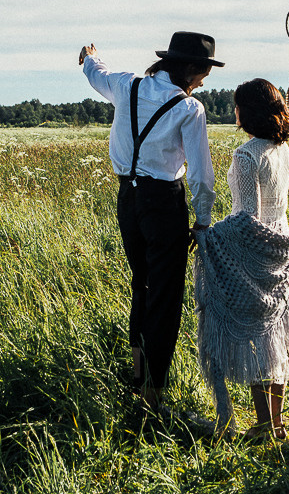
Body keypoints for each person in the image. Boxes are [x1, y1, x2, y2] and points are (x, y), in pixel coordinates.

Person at [79, 31, 223, 413]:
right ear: (190, 69)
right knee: (165, 297)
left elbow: (97, 74)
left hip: (128, 199)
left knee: (140, 287)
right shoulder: (189, 109)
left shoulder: (128, 85)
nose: (204, 80)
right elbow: (201, 175)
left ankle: (138, 377)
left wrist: (89, 56)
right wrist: (203, 220)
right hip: (164, 204)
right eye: (203, 72)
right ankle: (154, 393)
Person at [194, 78, 289, 441]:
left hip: (255, 254)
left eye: (237, 104)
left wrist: (206, 235)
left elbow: (246, 218)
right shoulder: (281, 148)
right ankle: (276, 423)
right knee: (277, 338)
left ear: (247, 110)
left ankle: (262, 427)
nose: (234, 111)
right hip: (283, 247)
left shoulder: (246, 155)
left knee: (259, 339)